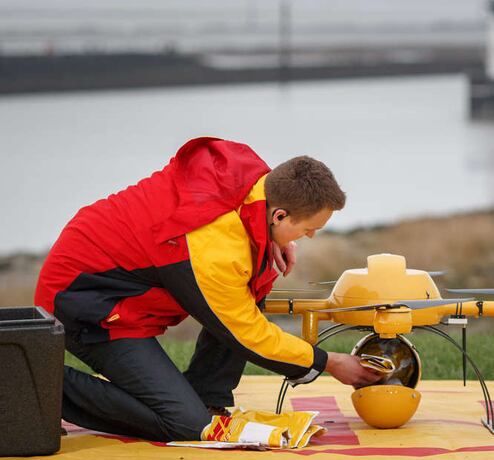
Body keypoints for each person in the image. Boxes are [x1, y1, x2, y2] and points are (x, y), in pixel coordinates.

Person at [35, 137, 382, 442]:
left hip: (114, 279)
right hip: (85, 303)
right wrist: (329, 362)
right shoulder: (213, 246)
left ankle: (207, 396)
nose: (309, 237)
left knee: (249, 282)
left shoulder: (258, 185)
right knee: (185, 424)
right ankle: (28, 379)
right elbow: (246, 332)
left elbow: (250, 227)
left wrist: (268, 238)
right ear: (279, 215)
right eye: (308, 229)